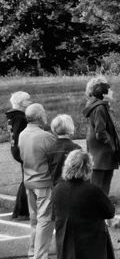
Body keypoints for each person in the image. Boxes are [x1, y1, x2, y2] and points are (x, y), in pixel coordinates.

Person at [52, 149, 115, 259]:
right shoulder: (93, 190)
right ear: (88, 168)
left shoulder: (57, 189)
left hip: (66, 242)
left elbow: (54, 214)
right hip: (90, 244)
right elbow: (110, 212)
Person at [18, 103, 56, 259]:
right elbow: (56, 158)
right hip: (44, 182)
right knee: (45, 221)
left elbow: (21, 156)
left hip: (29, 181)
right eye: (44, 112)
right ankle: (40, 256)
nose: (46, 115)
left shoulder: (22, 134)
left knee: (34, 221)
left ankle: (32, 251)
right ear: (40, 117)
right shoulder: (46, 137)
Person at [82, 76, 120, 196]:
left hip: (102, 148)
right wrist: (110, 142)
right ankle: (98, 200)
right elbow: (100, 130)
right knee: (100, 175)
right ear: (102, 93)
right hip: (102, 148)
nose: (112, 91)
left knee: (106, 174)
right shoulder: (99, 107)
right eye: (108, 89)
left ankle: (103, 198)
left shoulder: (99, 105)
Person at [6, 91, 32, 220]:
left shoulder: (13, 116)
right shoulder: (20, 118)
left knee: (26, 178)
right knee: (26, 179)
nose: (30, 102)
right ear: (21, 103)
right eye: (28, 100)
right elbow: (18, 136)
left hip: (15, 149)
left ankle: (22, 210)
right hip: (21, 150)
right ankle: (21, 211)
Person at [48, 114, 81, 185]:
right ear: (71, 127)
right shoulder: (76, 148)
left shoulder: (50, 148)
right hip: (73, 186)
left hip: (56, 186)